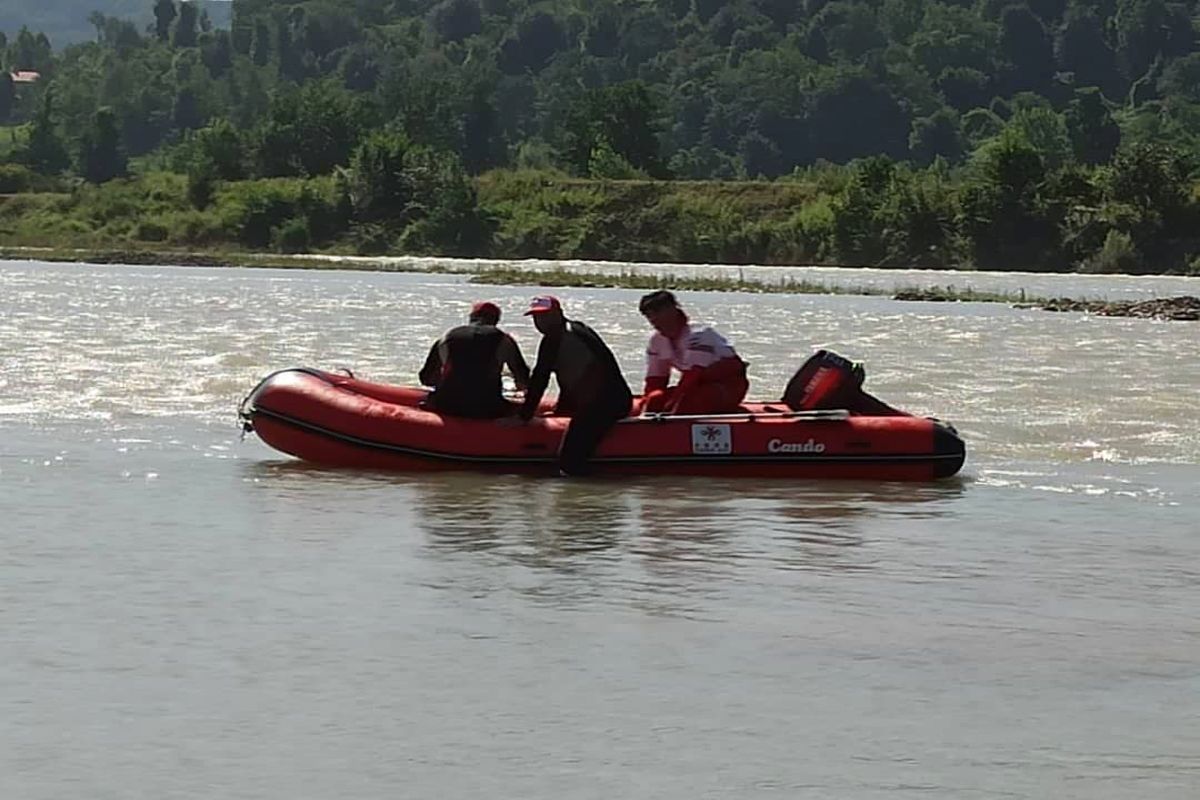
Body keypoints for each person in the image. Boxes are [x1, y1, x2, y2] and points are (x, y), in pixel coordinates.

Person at [512, 295, 633, 476]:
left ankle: (587, 497)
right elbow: (572, 380)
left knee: (569, 462)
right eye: (536, 317)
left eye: (545, 316)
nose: (540, 322)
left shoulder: (561, 338)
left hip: (606, 404)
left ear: (559, 313)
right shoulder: (574, 330)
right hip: (613, 398)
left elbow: (541, 379)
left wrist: (523, 417)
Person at [637, 289, 748, 415]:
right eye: (648, 315)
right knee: (655, 399)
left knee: (686, 403)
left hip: (728, 385)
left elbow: (692, 377)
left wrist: (670, 407)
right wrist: (647, 404)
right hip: (696, 385)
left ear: (673, 310)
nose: (653, 319)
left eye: (657, 312)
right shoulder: (656, 341)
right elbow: (655, 380)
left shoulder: (698, 335)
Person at [418, 301, 530, 419]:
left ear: (471, 317)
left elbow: (427, 379)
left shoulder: (446, 337)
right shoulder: (504, 340)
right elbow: (523, 379)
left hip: (446, 406)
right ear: (496, 320)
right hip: (489, 409)